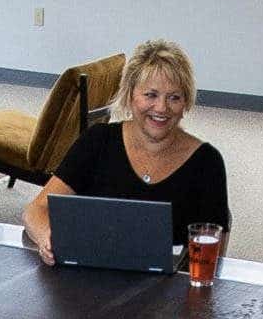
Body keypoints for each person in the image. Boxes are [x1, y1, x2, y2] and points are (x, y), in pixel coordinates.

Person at [23, 37, 229, 263]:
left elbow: (212, 254)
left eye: (174, 97)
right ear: (130, 95)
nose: (161, 108)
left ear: (186, 103)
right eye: (150, 95)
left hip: (168, 291)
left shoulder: (207, 162)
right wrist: (47, 238)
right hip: (92, 282)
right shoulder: (97, 141)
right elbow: (35, 211)